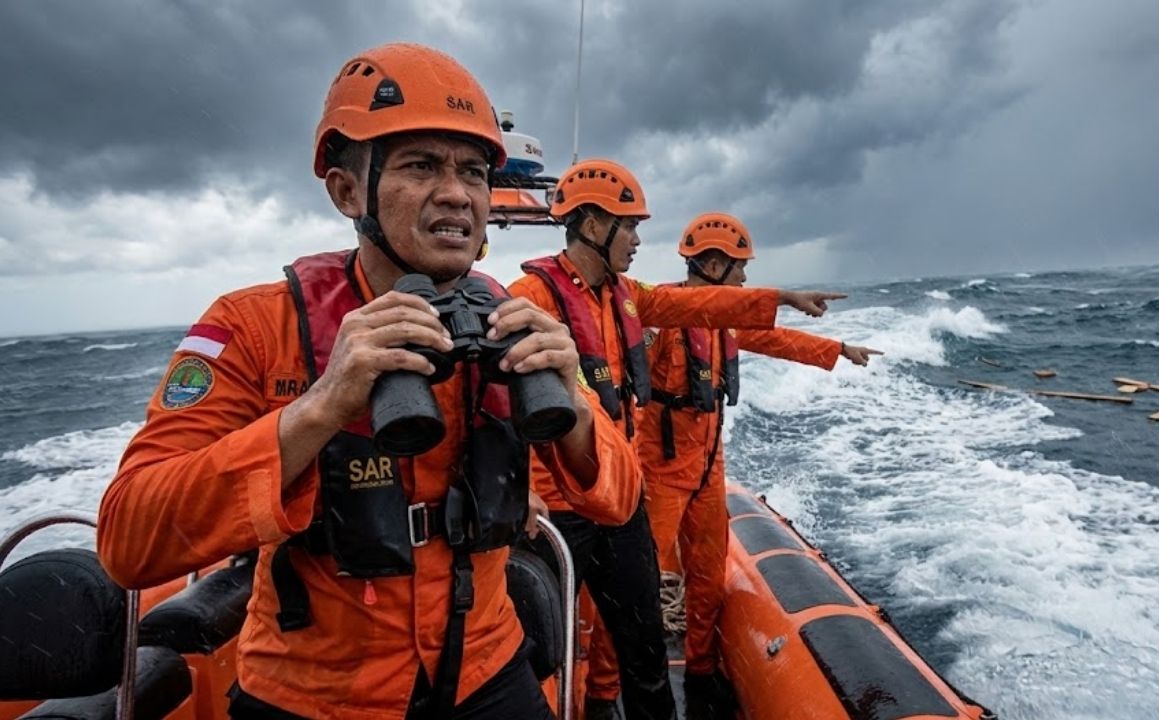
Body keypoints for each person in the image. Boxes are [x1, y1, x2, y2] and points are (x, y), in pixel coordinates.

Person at [96, 43, 642, 720]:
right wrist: (321, 408)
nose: (456, 193)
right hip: (313, 689)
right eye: (421, 166)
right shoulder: (255, 326)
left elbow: (619, 500)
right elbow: (128, 540)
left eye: (473, 172)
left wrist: (577, 412)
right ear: (347, 190)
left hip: (484, 666)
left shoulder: (509, 319)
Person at [508, 160, 847, 720]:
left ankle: (661, 698)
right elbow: (497, 398)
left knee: (641, 625)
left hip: (623, 492)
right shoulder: (531, 296)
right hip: (565, 497)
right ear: (592, 224)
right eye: (630, 225)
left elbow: (702, 306)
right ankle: (591, 702)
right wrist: (518, 485)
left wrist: (782, 298)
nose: (640, 240)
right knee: (570, 627)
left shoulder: (629, 297)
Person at [637, 212, 880, 714]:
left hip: (707, 469)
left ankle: (701, 673)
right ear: (710, 263)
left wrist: (838, 349)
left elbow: (778, 340)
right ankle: (628, 683)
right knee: (637, 583)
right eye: (740, 268)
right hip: (658, 470)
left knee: (706, 577)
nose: (745, 277)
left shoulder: (727, 323)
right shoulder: (659, 315)